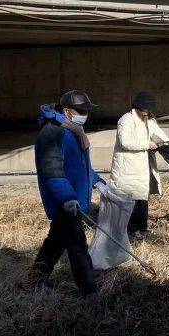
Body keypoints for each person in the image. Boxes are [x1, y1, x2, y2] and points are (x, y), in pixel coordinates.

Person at [27, 90, 107, 297]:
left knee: (55, 242)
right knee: (78, 247)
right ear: (66, 111)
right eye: (80, 110)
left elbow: (81, 166)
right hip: (66, 201)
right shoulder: (52, 133)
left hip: (74, 199)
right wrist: (67, 198)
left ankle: (34, 280)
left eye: (86, 110)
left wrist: (97, 182)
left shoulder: (74, 131)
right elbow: (52, 169)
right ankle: (90, 293)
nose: (84, 114)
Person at [109, 91, 168, 240]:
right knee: (130, 200)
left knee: (142, 199)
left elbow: (159, 135)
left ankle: (142, 228)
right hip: (127, 168)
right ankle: (130, 230)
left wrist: (166, 144)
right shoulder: (126, 120)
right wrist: (147, 144)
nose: (148, 111)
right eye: (146, 108)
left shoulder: (148, 120)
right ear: (139, 106)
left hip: (141, 167)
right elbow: (125, 142)